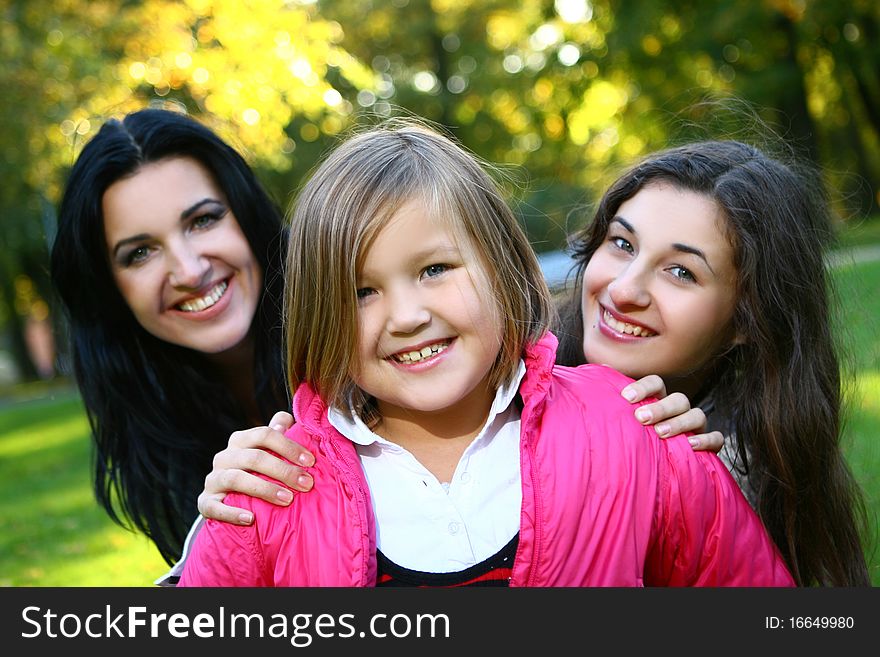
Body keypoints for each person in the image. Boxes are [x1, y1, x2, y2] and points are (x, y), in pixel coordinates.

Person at [177, 121, 794, 587]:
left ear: (501, 268)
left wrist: (663, 450)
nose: (407, 316)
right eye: (360, 291)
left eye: (435, 269)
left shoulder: (632, 427)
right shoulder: (272, 490)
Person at [552, 140, 870, 587]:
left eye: (681, 271)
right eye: (622, 243)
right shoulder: (499, 384)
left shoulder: (743, 473)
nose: (624, 289)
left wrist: (689, 491)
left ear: (746, 319)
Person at [49, 108, 314, 565]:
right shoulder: (151, 421)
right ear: (109, 288)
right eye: (141, 253)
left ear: (246, 218)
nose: (190, 271)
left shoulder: (353, 337)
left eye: (203, 220)